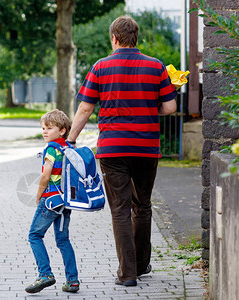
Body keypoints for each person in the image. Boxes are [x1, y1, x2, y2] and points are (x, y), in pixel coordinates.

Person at [66, 15, 177, 287]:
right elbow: (170, 108)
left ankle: (127, 274)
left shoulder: (101, 67)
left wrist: (69, 140)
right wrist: (151, 109)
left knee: (120, 209)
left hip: (113, 150)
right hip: (146, 149)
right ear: (135, 37)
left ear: (114, 38)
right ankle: (141, 265)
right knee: (143, 206)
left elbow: (85, 108)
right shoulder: (156, 66)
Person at [26, 109, 80, 294]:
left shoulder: (51, 148)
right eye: (43, 128)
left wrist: (39, 194)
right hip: (66, 201)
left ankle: (45, 274)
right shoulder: (68, 147)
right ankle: (72, 281)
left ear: (62, 130)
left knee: (34, 235)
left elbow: (46, 174)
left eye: (49, 128)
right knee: (63, 240)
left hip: (50, 200)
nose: (45, 132)